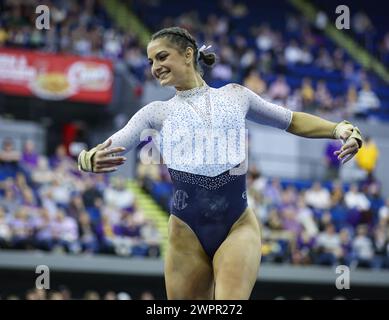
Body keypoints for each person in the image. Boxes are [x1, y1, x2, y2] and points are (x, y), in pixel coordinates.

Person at [77, 27, 362, 299]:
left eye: (162, 57)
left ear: (188, 54)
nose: (155, 67)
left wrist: (339, 129)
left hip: (237, 226)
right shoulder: (155, 113)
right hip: (185, 234)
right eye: (151, 61)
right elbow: (113, 143)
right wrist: (86, 158)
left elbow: (291, 120)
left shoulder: (235, 95)